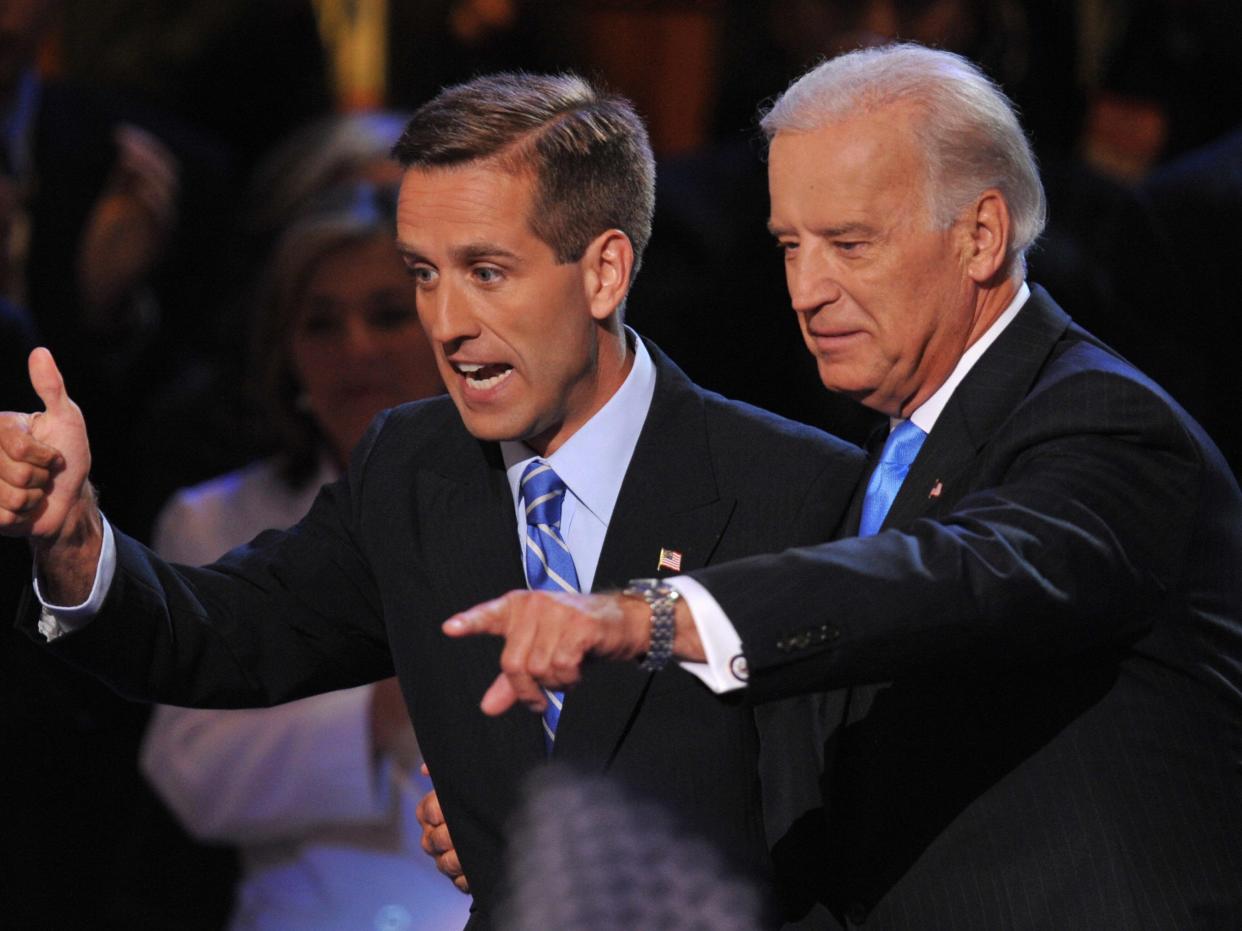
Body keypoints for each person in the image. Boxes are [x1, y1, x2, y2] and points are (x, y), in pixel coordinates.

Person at [3, 73, 864, 929]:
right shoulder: (413, 467)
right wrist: (75, 541)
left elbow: (849, 827)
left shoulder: (794, 489)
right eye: (424, 273)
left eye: (486, 271)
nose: (445, 323)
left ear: (605, 271)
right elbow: (221, 635)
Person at [440, 44, 1242, 928]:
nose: (807, 290)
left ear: (979, 236)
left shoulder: (1104, 422)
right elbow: (821, 789)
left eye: (849, 244)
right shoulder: (876, 468)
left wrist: (653, 615)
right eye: (790, 245)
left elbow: (960, 577)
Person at [140, 182, 469, 931]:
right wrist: (378, 710)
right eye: (322, 324)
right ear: (288, 358)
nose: (355, 347)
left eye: (387, 315)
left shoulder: (544, 498)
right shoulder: (217, 519)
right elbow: (190, 769)